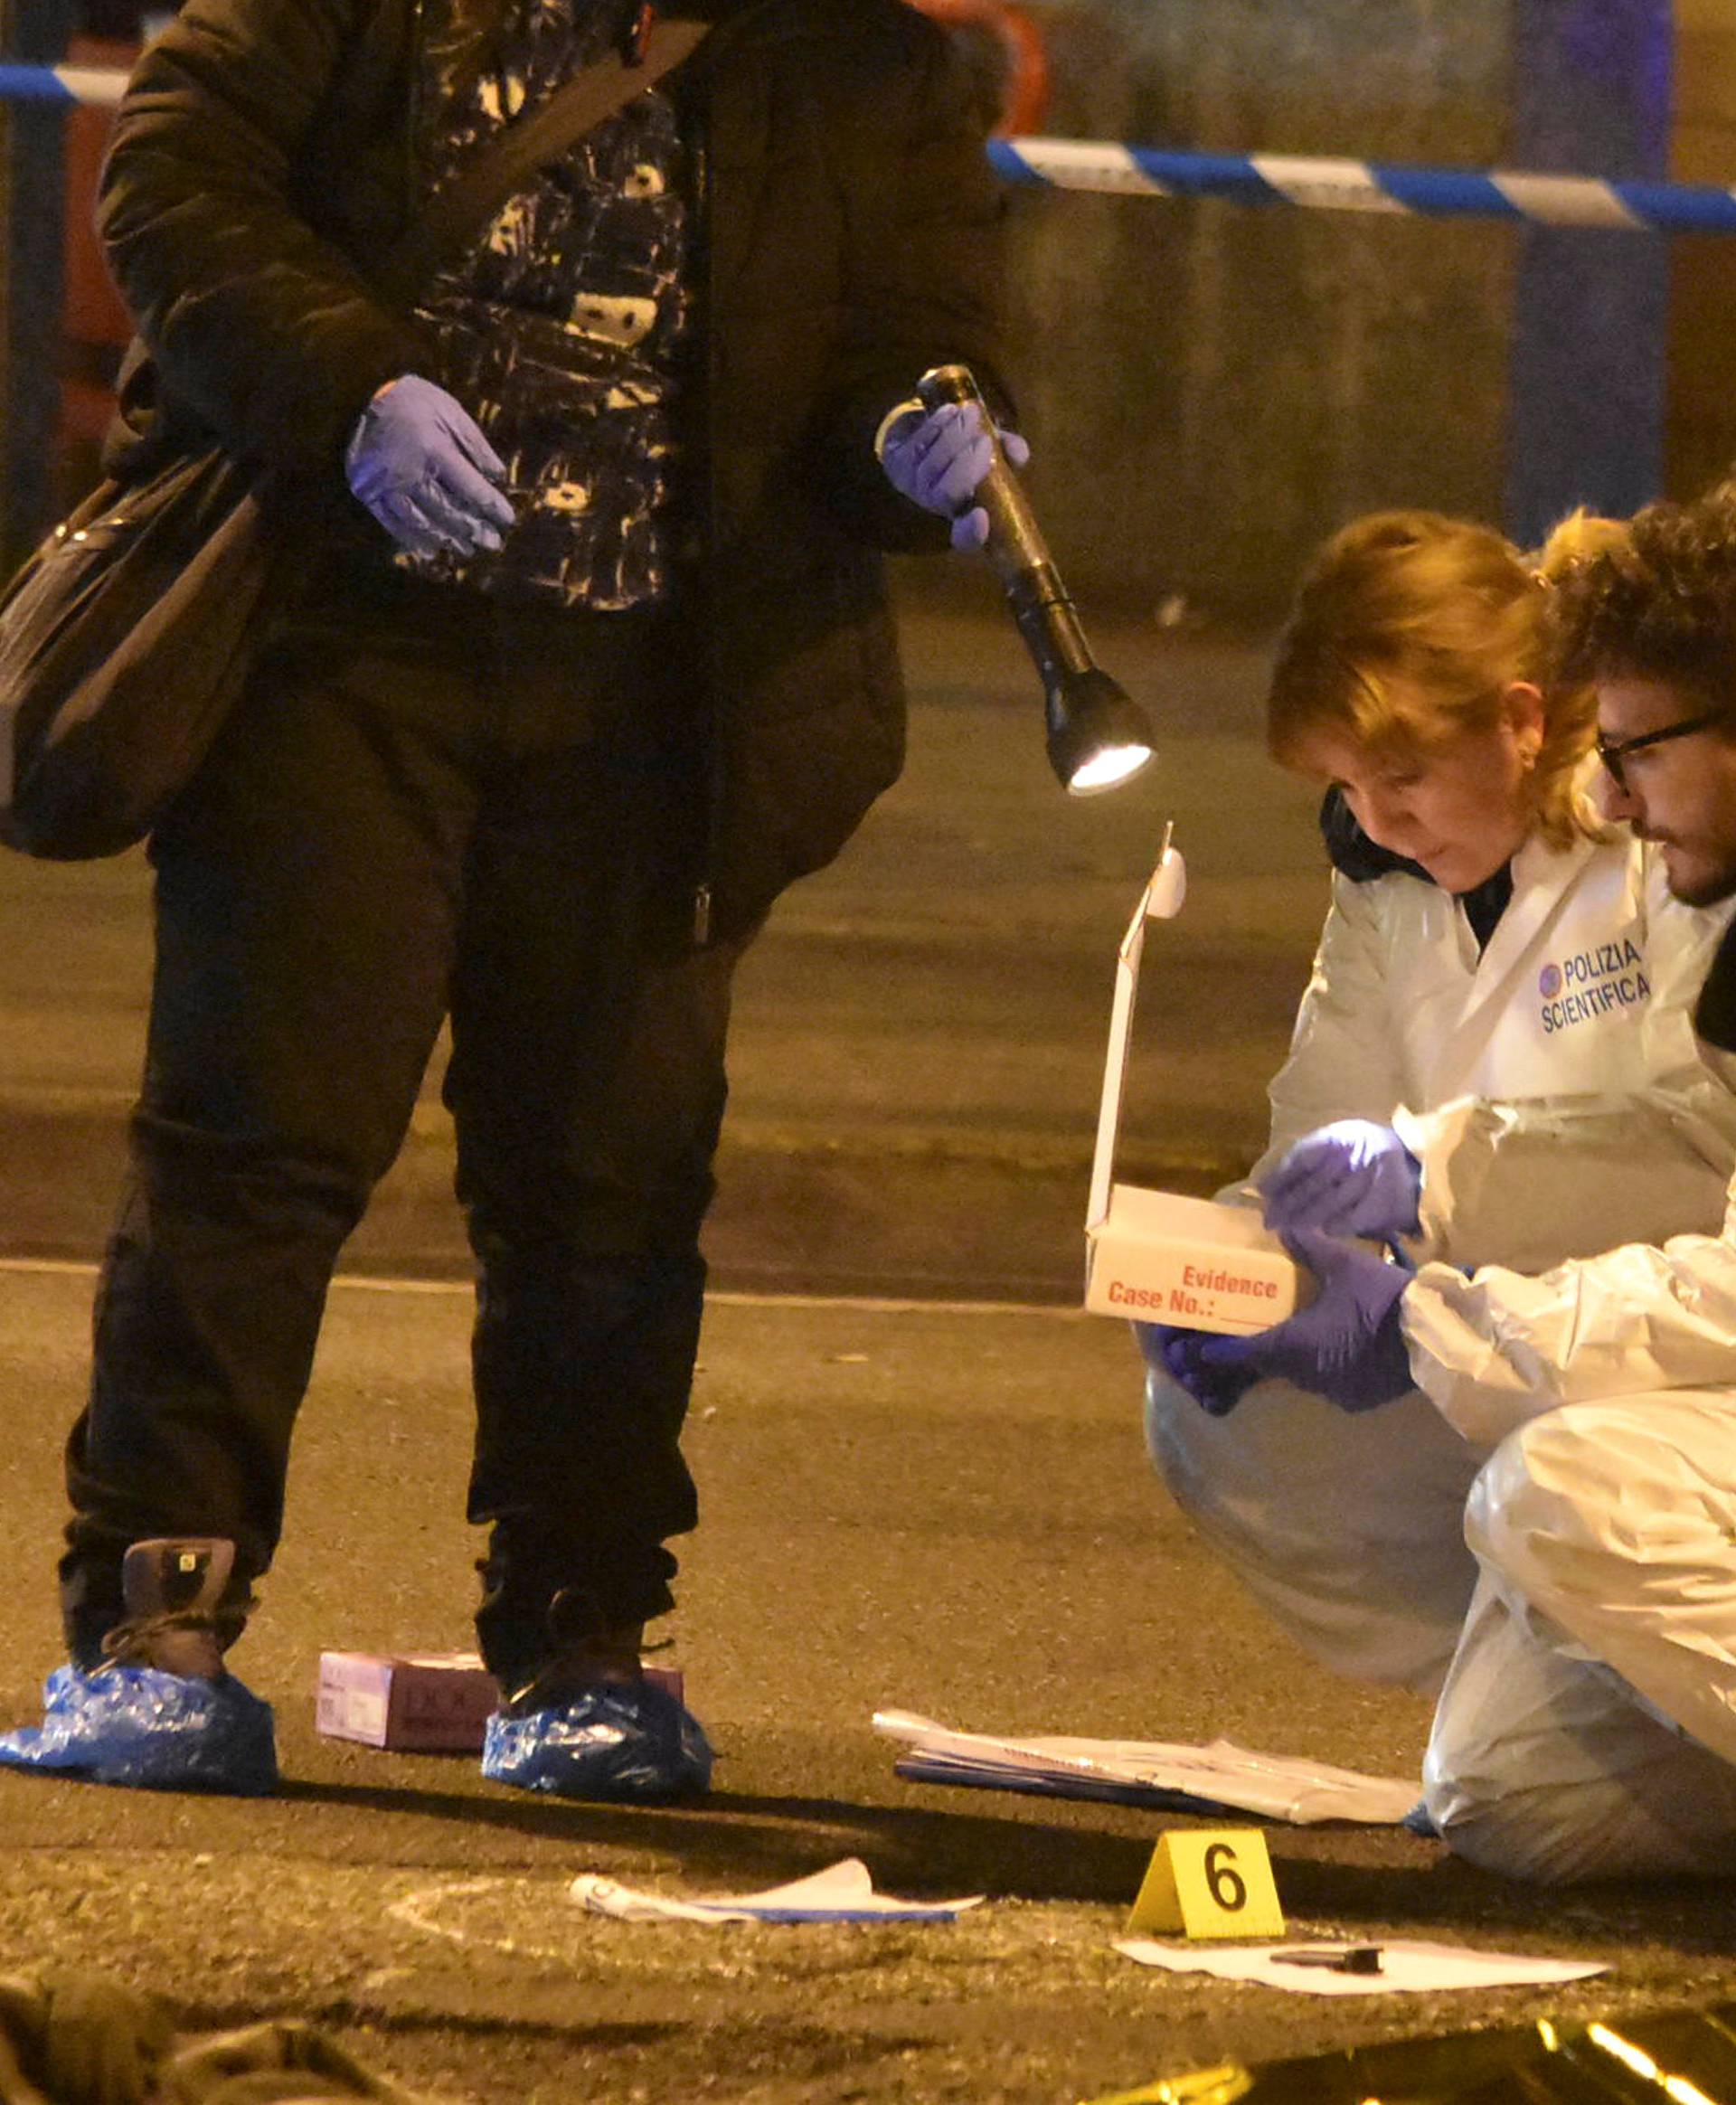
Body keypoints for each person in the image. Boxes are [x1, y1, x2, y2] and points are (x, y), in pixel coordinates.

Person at [0, 0, 1013, 1801]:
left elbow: (916, 339)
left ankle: (585, 1639)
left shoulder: (871, 61)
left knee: (609, 1186)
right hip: (338, 651)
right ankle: (154, 1618)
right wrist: (354, 389)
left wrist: (929, 435)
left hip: (658, 700)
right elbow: (176, 182)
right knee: (261, 1136)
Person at [1141, 507, 1736, 1879]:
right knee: (1508, 1799)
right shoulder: (1392, 880)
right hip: (1580, 1344)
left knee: (1560, 1491)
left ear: (1529, 720)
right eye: (1346, 787)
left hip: (1647, 1364)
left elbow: (1698, 1180)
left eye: (1634, 752)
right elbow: (1312, 1146)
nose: (1618, 795)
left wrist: (1433, 1224)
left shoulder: (1680, 868)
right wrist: (1233, 1263)